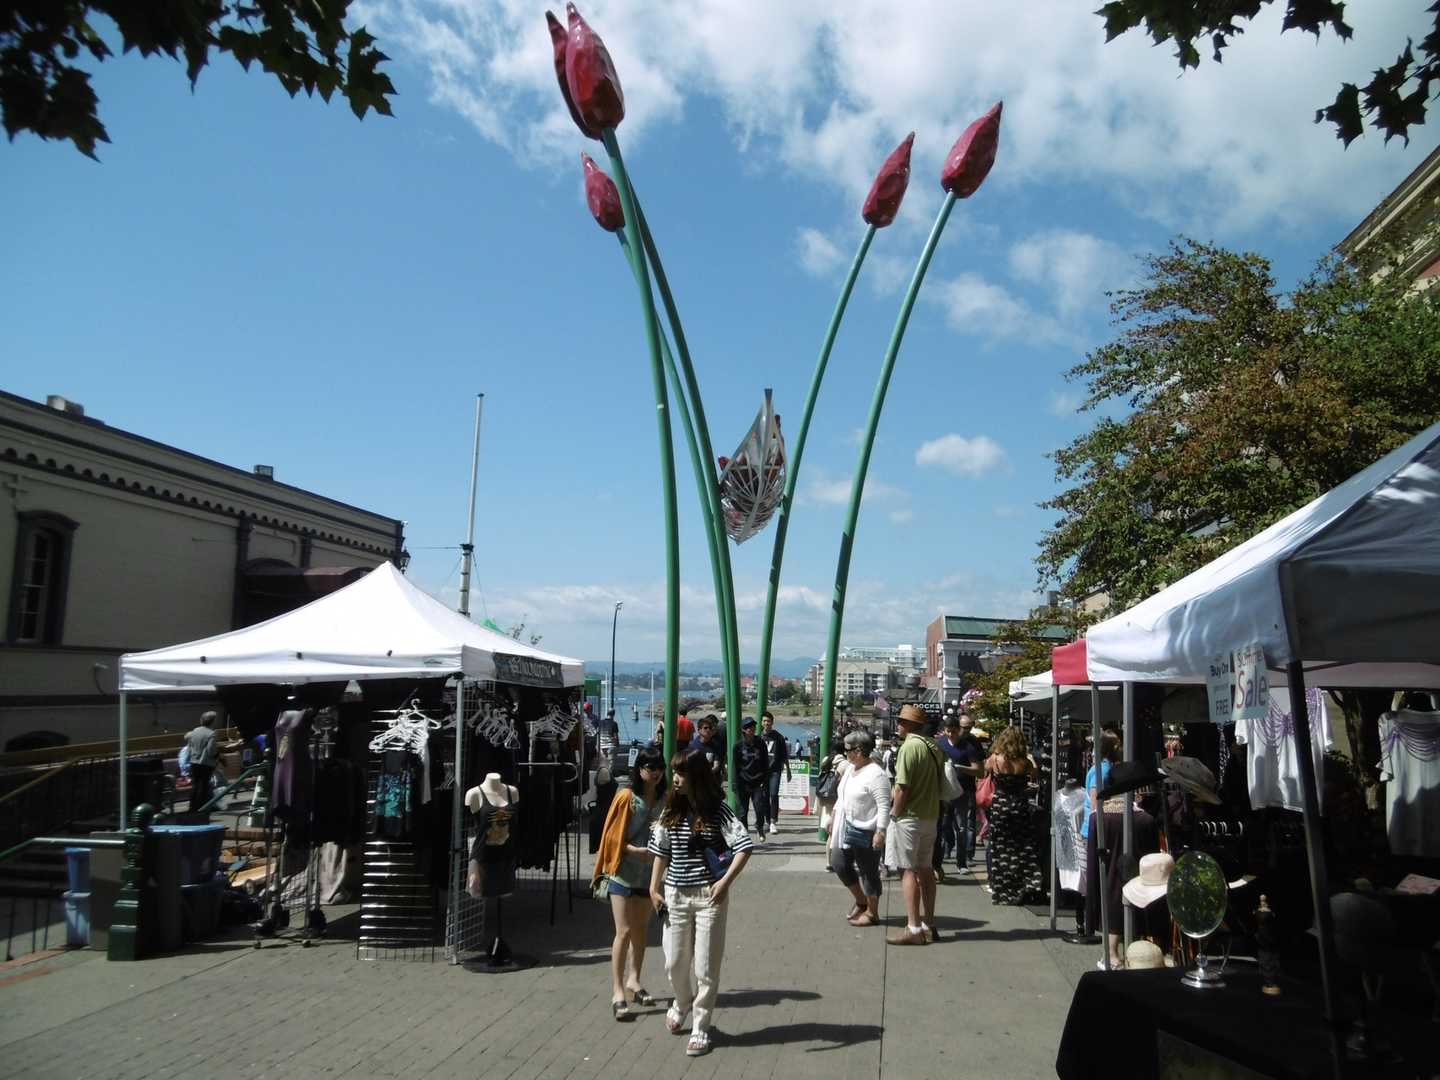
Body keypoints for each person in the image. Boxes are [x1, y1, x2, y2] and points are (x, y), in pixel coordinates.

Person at [649, 749, 753, 1057]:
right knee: (674, 961)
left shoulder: (718, 810)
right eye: (674, 772)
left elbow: (743, 846)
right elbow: (661, 851)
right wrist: (654, 888)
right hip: (675, 894)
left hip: (709, 895)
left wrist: (725, 882)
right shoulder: (670, 810)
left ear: (697, 777)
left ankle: (701, 1025)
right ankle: (682, 1002)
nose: (675, 779)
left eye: (681, 773)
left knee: (706, 967)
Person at [593, 747, 666, 1020]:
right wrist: (634, 851)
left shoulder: (664, 799)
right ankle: (617, 991)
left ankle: (634, 980)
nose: (655, 773)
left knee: (640, 930)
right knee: (623, 931)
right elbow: (612, 837)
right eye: (650, 767)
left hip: (648, 876)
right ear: (639, 769)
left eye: (659, 768)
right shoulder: (626, 796)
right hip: (622, 872)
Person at [886, 704, 944, 945]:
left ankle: (913, 927)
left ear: (910, 725)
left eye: (901, 721)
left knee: (907, 870)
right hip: (931, 814)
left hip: (910, 816)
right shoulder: (934, 747)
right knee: (926, 869)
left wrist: (894, 815)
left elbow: (902, 788)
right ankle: (929, 924)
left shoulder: (909, 747)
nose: (898, 724)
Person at [829, 729, 889, 927]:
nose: (845, 752)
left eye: (847, 749)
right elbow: (842, 795)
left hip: (867, 829)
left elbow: (884, 805)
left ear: (859, 750)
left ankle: (873, 912)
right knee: (839, 863)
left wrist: (880, 831)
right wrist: (834, 816)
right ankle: (861, 900)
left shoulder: (876, 775)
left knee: (868, 871)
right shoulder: (850, 768)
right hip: (844, 825)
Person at [983, 725, 1044, 906]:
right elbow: (1035, 774)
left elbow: (984, 770)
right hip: (1019, 806)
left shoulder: (995, 759)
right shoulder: (1025, 762)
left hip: (1000, 806)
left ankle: (1003, 890)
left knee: (1001, 848)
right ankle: (1023, 886)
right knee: (1021, 848)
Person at [938, 713, 986, 872]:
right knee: (943, 826)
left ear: (958, 730)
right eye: (948, 731)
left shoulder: (968, 747)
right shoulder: (940, 744)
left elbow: (979, 771)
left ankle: (962, 862)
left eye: (954, 731)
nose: (951, 734)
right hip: (944, 792)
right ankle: (940, 860)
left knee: (962, 827)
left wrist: (960, 768)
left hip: (963, 792)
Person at [734, 717, 770, 840]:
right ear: (744, 730)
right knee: (743, 812)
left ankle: (759, 827)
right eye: (749, 727)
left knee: (759, 808)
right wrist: (734, 783)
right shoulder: (738, 746)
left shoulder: (760, 743)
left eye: (753, 727)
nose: (752, 729)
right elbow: (735, 766)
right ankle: (744, 835)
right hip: (743, 782)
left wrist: (765, 780)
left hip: (757, 782)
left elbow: (765, 763)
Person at [184, 711, 220, 812]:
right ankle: (202, 808)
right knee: (204, 786)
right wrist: (217, 755)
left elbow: (190, 747)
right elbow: (211, 750)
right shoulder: (211, 733)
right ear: (212, 721)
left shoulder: (195, 731)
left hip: (193, 762)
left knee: (195, 785)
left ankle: (192, 807)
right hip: (205, 763)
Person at [759, 711, 790, 828]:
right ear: (761, 723)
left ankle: (773, 821)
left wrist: (788, 770)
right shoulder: (758, 738)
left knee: (774, 794)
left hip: (775, 771)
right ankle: (767, 820)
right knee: (764, 796)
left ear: (772, 722)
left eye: (768, 721)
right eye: (764, 721)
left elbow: (784, 755)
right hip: (762, 772)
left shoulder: (778, 737)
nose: (766, 723)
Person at [688, 715, 727, 780]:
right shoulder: (693, 746)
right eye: (705, 728)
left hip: (713, 780)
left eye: (710, 728)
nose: (708, 730)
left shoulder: (716, 745)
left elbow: (716, 765)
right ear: (699, 730)